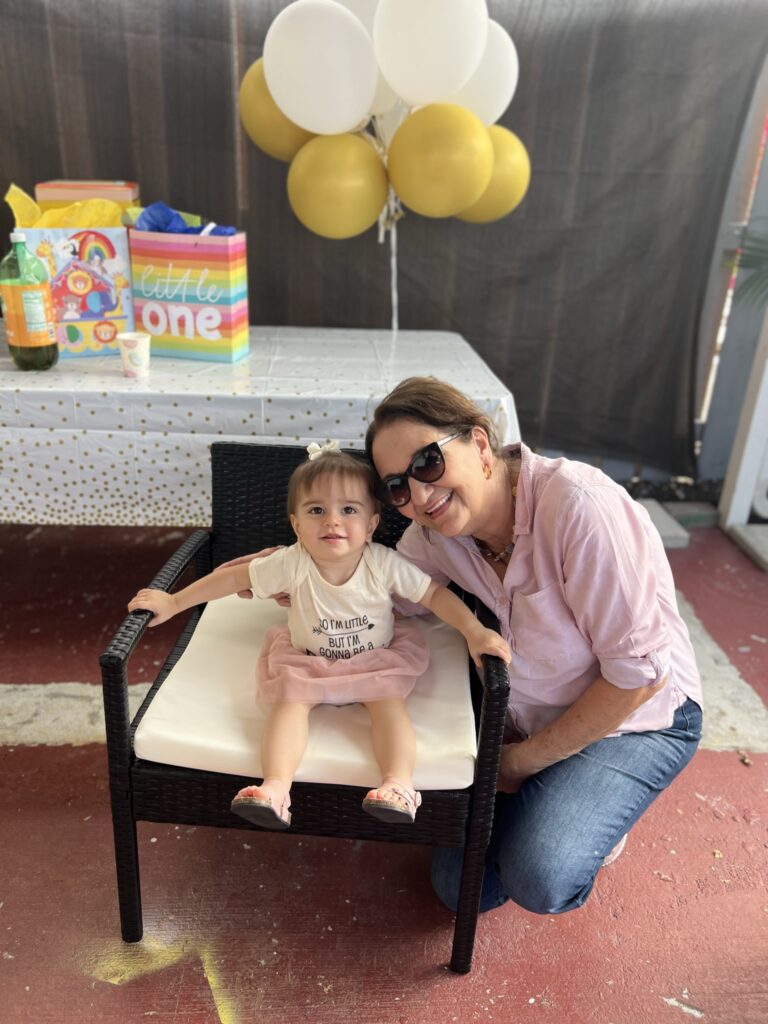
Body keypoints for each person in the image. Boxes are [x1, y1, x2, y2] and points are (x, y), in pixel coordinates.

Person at [363, 376, 703, 916]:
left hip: (640, 718)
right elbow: (386, 594)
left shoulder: (579, 509)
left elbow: (639, 677)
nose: (421, 496)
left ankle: (588, 812)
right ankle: (558, 801)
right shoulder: (437, 533)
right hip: (529, 713)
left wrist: (519, 764)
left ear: (478, 444)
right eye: (397, 487)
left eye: (428, 462)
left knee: (543, 877)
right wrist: (297, 576)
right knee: (458, 891)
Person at [128, 441, 510, 832]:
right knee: (288, 706)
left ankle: (399, 785)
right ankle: (276, 788)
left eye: (348, 510)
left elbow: (434, 594)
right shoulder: (291, 563)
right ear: (296, 525)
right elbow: (233, 577)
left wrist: (473, 630)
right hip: (309, 659)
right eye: (316, 511)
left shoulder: (381, 563)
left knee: (389, 708)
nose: (332, 521)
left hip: (374, 659)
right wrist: (174, 602)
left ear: (372, 524)